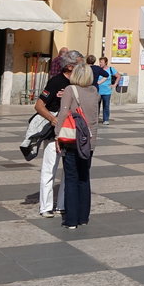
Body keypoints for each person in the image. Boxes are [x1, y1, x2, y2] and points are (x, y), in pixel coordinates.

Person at [33, 48, 83, 217]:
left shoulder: (78, 84)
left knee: (68, 169)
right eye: (79, 65)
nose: (82, 69)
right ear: (69, 66)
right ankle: (45, 207)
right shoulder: (56, 82)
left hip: (72, 131)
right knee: (49, 168)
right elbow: (39, 105)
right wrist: (53, 119)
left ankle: (62, 204)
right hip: (54, 132)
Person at [55, 61, 100, 229]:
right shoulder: (95, 91)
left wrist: (57, 136)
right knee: (84, 178)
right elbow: (94, 119)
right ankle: (83, 217)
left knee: (71, 178)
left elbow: (63, 114)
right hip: (88, 141)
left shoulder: (70, 90)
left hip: (72, 140)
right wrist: (92, 141)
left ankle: (71, 220)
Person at [91, 55, 116, 125]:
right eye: (99, 62)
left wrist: (114, 84)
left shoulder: (111, 69)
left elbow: (118, 76)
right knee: (96, 106)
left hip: (107, 91)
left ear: (106, 63)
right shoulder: (98, 69)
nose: (100, 63)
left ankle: (106, 119)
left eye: (101, 62)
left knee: (106, 105)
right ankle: (95, 119)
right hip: (98, 90)